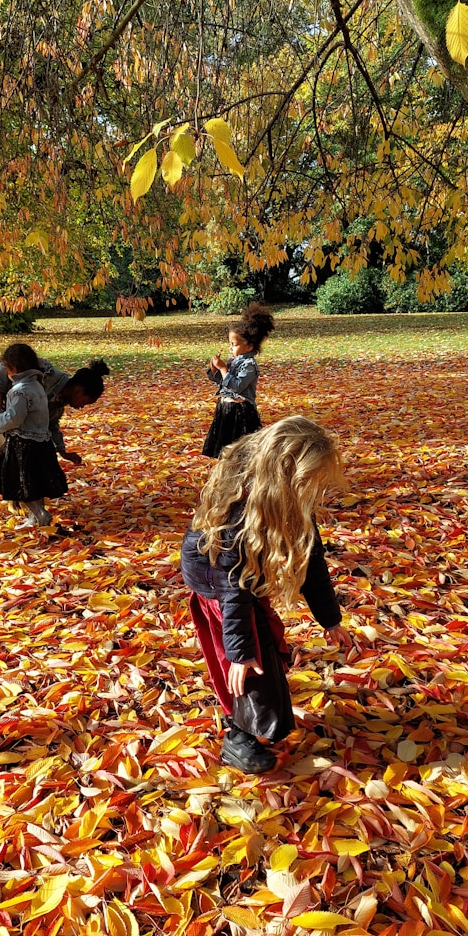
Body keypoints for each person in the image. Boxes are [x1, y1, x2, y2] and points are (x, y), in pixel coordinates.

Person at [181, 415, 353, 774]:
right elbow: (233, 591)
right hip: (222, 592)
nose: (311, 491)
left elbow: (312, 564)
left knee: (265, 658)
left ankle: (254, 726)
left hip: (244, 590)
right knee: (251, 666)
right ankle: (239, 738)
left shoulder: (289, 504)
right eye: (306, 481)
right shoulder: (237, 517)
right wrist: (240, 654)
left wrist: (330, 619)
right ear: (283, 476)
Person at [0, 342, 68, 528]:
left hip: (23, 445)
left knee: (20, 484)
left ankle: (40, 514)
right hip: (42, 442)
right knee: (34, 484)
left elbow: (16, 417)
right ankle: (35, 517)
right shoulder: (38, 386)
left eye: (7, 369)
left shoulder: (19, 391)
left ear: (13, 368)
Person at [0, 355, 109, 464]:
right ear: (78, 390)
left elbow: (50, 424)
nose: (82, 407)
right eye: (86, 402)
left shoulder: (58, 406)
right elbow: (10, 359)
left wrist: (63, 452)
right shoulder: (47, 373)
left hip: (14, 405)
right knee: (9, 431)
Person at [202, 302, 274, 458]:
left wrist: (223, 369)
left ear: (249, 346)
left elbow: (236, 386)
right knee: (223, 450)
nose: (230, 348)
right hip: (225, 409)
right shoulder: (232, 361)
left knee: (240, 451)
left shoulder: (250, 366)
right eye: (230, 344)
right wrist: (214, 369)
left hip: (240, 413)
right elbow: (220, 380)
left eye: (234, 344)